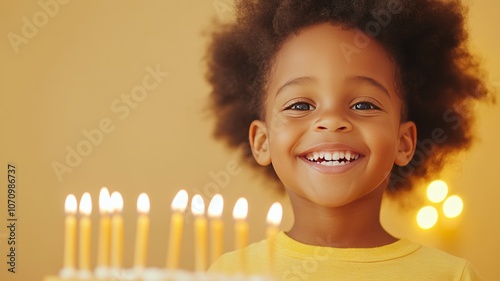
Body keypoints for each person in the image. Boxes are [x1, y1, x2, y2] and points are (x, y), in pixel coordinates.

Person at [205, 0, 493, 280]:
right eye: (300, 106)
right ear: (262, 141)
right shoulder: (230, 273)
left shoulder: (453, 276)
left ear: (404, 142)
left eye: (364, 105)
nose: (331, 120)